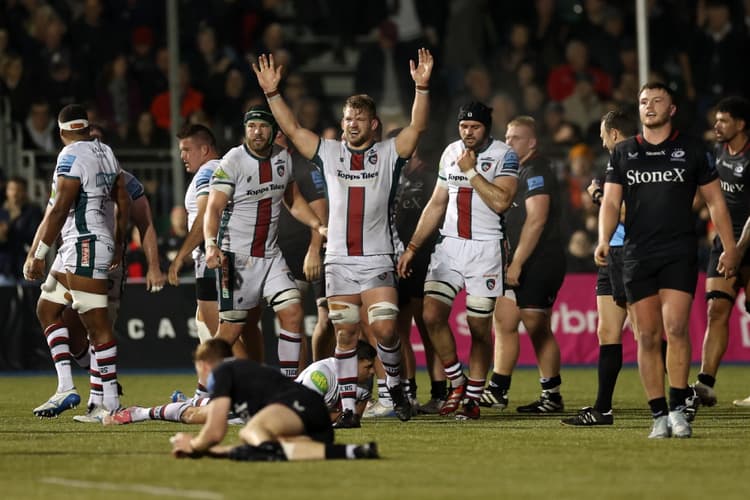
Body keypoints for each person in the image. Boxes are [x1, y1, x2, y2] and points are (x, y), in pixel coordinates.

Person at [252, 49, 434, 427]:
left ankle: (396, 386)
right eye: (348, 117)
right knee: (346, 334)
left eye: (359, 119)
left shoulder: (388, 154)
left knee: (385, 328)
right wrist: (273, 95)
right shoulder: (330, 152)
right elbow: (294, 130)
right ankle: (350, 411)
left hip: (377, 258)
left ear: (374, 124)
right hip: (338, 261)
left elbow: (417, 128)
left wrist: (421, 87)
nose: (351, 124)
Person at [595, 82, 739, 439]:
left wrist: (731, 247)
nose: (649, 106)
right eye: (644, 101)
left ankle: (678, 410)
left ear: (672, 109)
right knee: (646, 335)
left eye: (657, 101)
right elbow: (611, 202)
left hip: (678, 251)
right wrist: (602, 238)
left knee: (675, 328)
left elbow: (715, 202)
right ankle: (658, 414)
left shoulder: (692, 150)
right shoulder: (624, 152)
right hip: (637, 254)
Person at [397, 101, 519, 420]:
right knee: (432, 315)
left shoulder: (505, 155)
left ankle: (473, 398)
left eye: (474, 127)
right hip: (449, 247)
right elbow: (437, 203)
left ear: (486, 128)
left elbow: (502, 202)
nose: (468, 132)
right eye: (464, 127)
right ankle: (457, 383)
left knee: (479, 330)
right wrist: (412, 247)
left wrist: (470, 172)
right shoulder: (450, 151)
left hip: (485, 250)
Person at [203, 105, 327, 380]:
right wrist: (211, 243)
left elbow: (293, 200)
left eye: (262, 126)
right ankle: (206, 389)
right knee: (231, 330)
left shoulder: (283, 158)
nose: (256, 132)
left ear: (273, 131)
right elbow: (213, 208)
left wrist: (317, 224)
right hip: (237, 257)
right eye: (251, 126)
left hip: (271, 256)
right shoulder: (232, 161)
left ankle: (286, 385)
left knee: (293, 312)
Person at [25, 104, 130, 418]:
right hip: (85, 242)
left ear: (61, 132)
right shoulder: (106, 152)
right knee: (47, 308)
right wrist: (120, 242)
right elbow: (121, 198)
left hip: (84, 243)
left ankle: (109, 403)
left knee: (96, 326)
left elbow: (59, 209)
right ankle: (66, 388)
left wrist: (39, 254)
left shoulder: (69, 157)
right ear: (87, 126)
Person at [477, 115, 566, 415]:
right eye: (507, 136)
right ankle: (498, 390)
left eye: (516, 137)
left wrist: (516, 263)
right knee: (503, 320)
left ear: (532, 142)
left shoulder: (536, 169)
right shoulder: (516, 171)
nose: (509, 141)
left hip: (540, 259)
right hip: (517, 258)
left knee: (536, 324)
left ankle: (551, 395)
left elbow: (537, 219)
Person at [168, 338, 379, 461]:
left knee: (250, 432)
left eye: (199, 371)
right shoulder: (243, 372)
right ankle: (353, 451)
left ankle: (265, 451)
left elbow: (215, 431)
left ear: (205, 365)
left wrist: (193, 445)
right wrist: (212, 451)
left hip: (297, 404)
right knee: (284, 445)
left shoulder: (223, 371)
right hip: (317, 423)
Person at [67, 167, 166, 423]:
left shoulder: (127, 181)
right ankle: (101, 388)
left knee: (101, 325)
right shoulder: (73, 172)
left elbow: (145, 222)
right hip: (75, 256)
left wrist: (153, 266)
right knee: (73, 325)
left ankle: (101, 401)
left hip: (111, 262)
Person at [104, 340, 376, 427]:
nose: (372, 371)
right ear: (352, 364)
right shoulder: (322, 374)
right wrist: (334, 416)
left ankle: (188, 400)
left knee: (208, 408)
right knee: (203, 417)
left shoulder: (363, 383)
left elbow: (352, 419)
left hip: (272, 409)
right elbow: (301, 412)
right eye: (368, 365)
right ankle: (140, 412)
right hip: (265, 406)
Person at [562, 110, 635, 426]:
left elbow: (631, 213)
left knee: (645, 331)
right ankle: (602, 409)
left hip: (632, 253)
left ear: (615, 134)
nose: (602, 142)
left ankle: (680, 395)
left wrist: (599, 196)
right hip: (612, 254)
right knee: (607, 331)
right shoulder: (616, 161)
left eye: (605, 135)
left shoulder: (635, 162)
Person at [693, 96, 750, 407]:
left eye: (723, 120)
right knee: (717, 310)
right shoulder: (717, 154)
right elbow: (707, 197)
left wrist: (738, 250)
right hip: (725, 243)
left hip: (746, 243)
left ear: (740, 125)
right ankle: (705, 384)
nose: (716, 125)